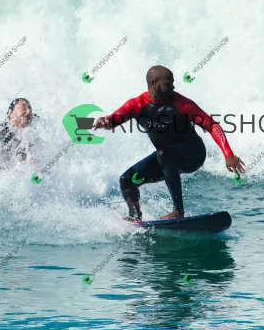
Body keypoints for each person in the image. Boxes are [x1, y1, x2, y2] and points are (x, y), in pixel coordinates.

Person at [92, 66, 245, 221]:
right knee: (127, 180)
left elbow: (212, 125)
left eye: (172, 82)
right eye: (168, 83)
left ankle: (178, 210)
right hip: (165, 158)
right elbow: (112, 120)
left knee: (164, 154)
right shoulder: (136, 105)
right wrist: (105, 121)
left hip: (193, 154)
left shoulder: (182, 104)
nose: (173, 87)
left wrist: (228, 154)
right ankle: (135, 217)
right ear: (153, 84)